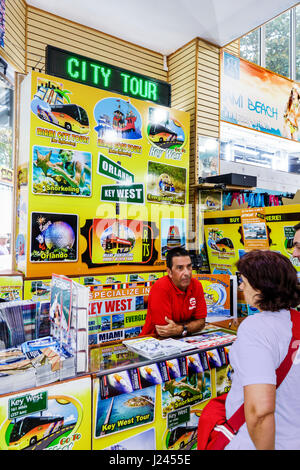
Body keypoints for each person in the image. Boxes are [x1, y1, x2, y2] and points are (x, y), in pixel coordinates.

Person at [224, 250, 300, 450]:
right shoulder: (295, 322)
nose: (241, 287)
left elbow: (260, 410)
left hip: (263, 442)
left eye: (244, 281)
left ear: (261, 286)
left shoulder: (256, 328)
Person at [140, 247, 207, 337]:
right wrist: (189, 326)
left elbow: (201, 322)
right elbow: (165, 331)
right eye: (180, 268)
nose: (186, 273)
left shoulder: (197, 285)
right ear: (169, 272)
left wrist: (181, 329)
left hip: (183, 340)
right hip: (153, 340)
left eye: (189, 266)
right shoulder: (161, 287)